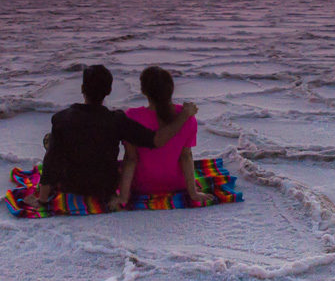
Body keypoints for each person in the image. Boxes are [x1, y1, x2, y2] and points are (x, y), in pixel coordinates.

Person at [24, 65, 197, 208]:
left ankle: (52, 145)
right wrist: (184, 116)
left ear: (83, 89)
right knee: (65, 139)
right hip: (105, 187)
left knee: (53, 141)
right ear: (108, 91)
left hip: (70, 185)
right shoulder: (118, 120)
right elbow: (157, 140)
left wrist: (42, 199)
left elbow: (51, 161)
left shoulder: (61, 118)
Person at [111, 66, 212, 211]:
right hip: (176, 184)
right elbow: (186, 156)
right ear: (171, 89)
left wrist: (123, 197)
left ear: (143, 91)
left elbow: (131, 159)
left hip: (142, 186)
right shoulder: (186, 117)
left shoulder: (132, 116)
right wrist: (193, 193)